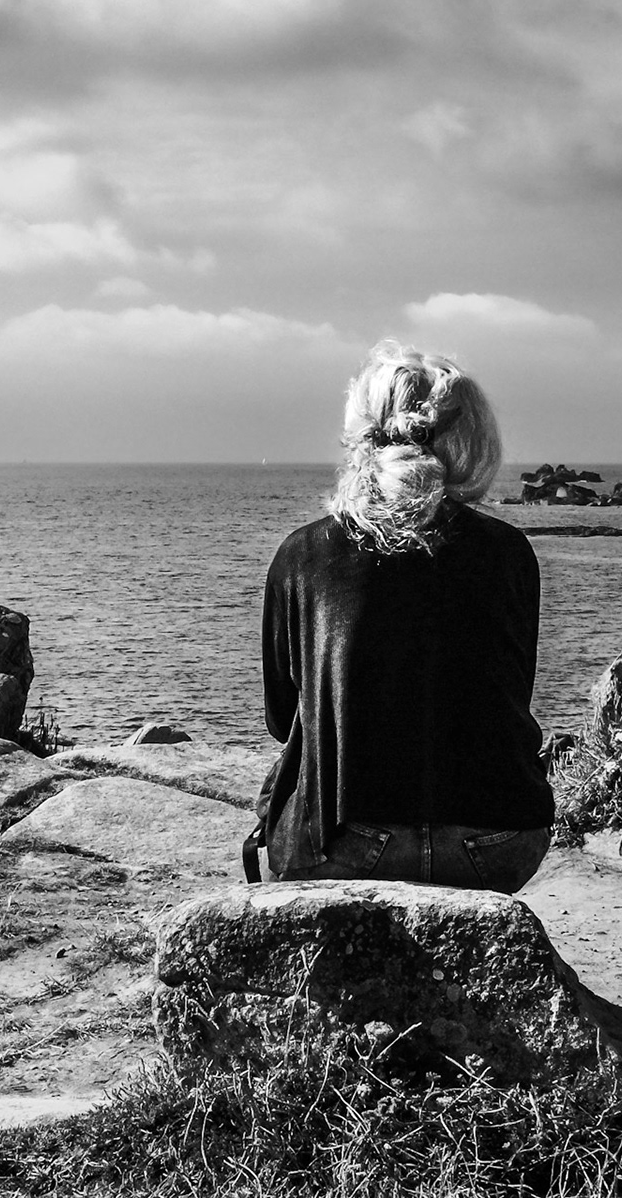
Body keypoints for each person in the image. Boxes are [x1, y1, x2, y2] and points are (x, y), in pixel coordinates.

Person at [256, 340, 553, 892]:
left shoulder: (301, 555)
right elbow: (510, 698)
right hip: (499, 840)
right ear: (471, 441)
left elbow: (281, 720)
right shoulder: (510, 552)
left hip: (346, 839)